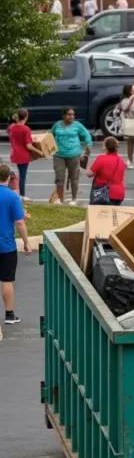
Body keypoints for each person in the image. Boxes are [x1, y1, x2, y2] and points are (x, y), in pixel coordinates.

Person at [0, 163, 31, 333]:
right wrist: (26, 242)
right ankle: (9, 314)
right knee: (6, 280)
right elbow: (19, 222)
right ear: (9, 178)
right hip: (5, 245)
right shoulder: (12, 196)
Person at [51, 107, 92, 205]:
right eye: (69, 114)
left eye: (73, 114)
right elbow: (50, 135)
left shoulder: (77, 125)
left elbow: (86, 134)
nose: (71, 116)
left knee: (74, 176)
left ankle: (74, 199)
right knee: (59, 177)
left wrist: (88, 144)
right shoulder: (57, 125)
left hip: (73, 154)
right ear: (63, 115)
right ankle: (60, 199)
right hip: (58, 154)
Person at [8, 109, 40, 200]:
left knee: (13, 175)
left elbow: (10, 132)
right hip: (23, 155)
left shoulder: (12, 127)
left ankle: (11, 191)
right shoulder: (26, 129)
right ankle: (22, 195)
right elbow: (28, 146)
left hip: (14, 154)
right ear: (26, 117)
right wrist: (39, 152)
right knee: (22, 175)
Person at [85, 136, 126, 205]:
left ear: (105, 147)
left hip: (104, 193)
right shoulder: (121, 160)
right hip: (119, 193)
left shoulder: (101, 158)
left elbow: (90, 174)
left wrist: (85, 167)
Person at [118, 83, 134, 169]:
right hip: (129, 122)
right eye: (133, 90)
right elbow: (125, 109)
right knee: (130, 142)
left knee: (132, 142)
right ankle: (129, 160)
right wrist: (131, 99)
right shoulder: (125, 100)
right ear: (129, 91)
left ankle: (131, 159)